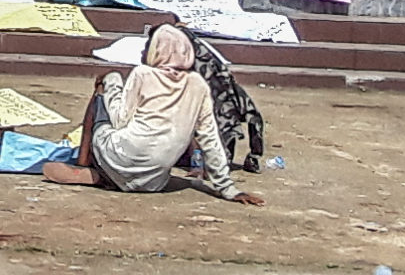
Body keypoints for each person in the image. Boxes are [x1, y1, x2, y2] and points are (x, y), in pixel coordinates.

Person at [41, 23, 264, 205]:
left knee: (103, 92)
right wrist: (228, 189)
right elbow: (210, 139)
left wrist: (110, 83)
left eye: (148, 46)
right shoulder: (198, 85)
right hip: (154, 182)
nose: (143, 51)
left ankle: (86, 165)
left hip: (119, 154)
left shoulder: (143, 74)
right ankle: (113, 178)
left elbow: (119, 120)